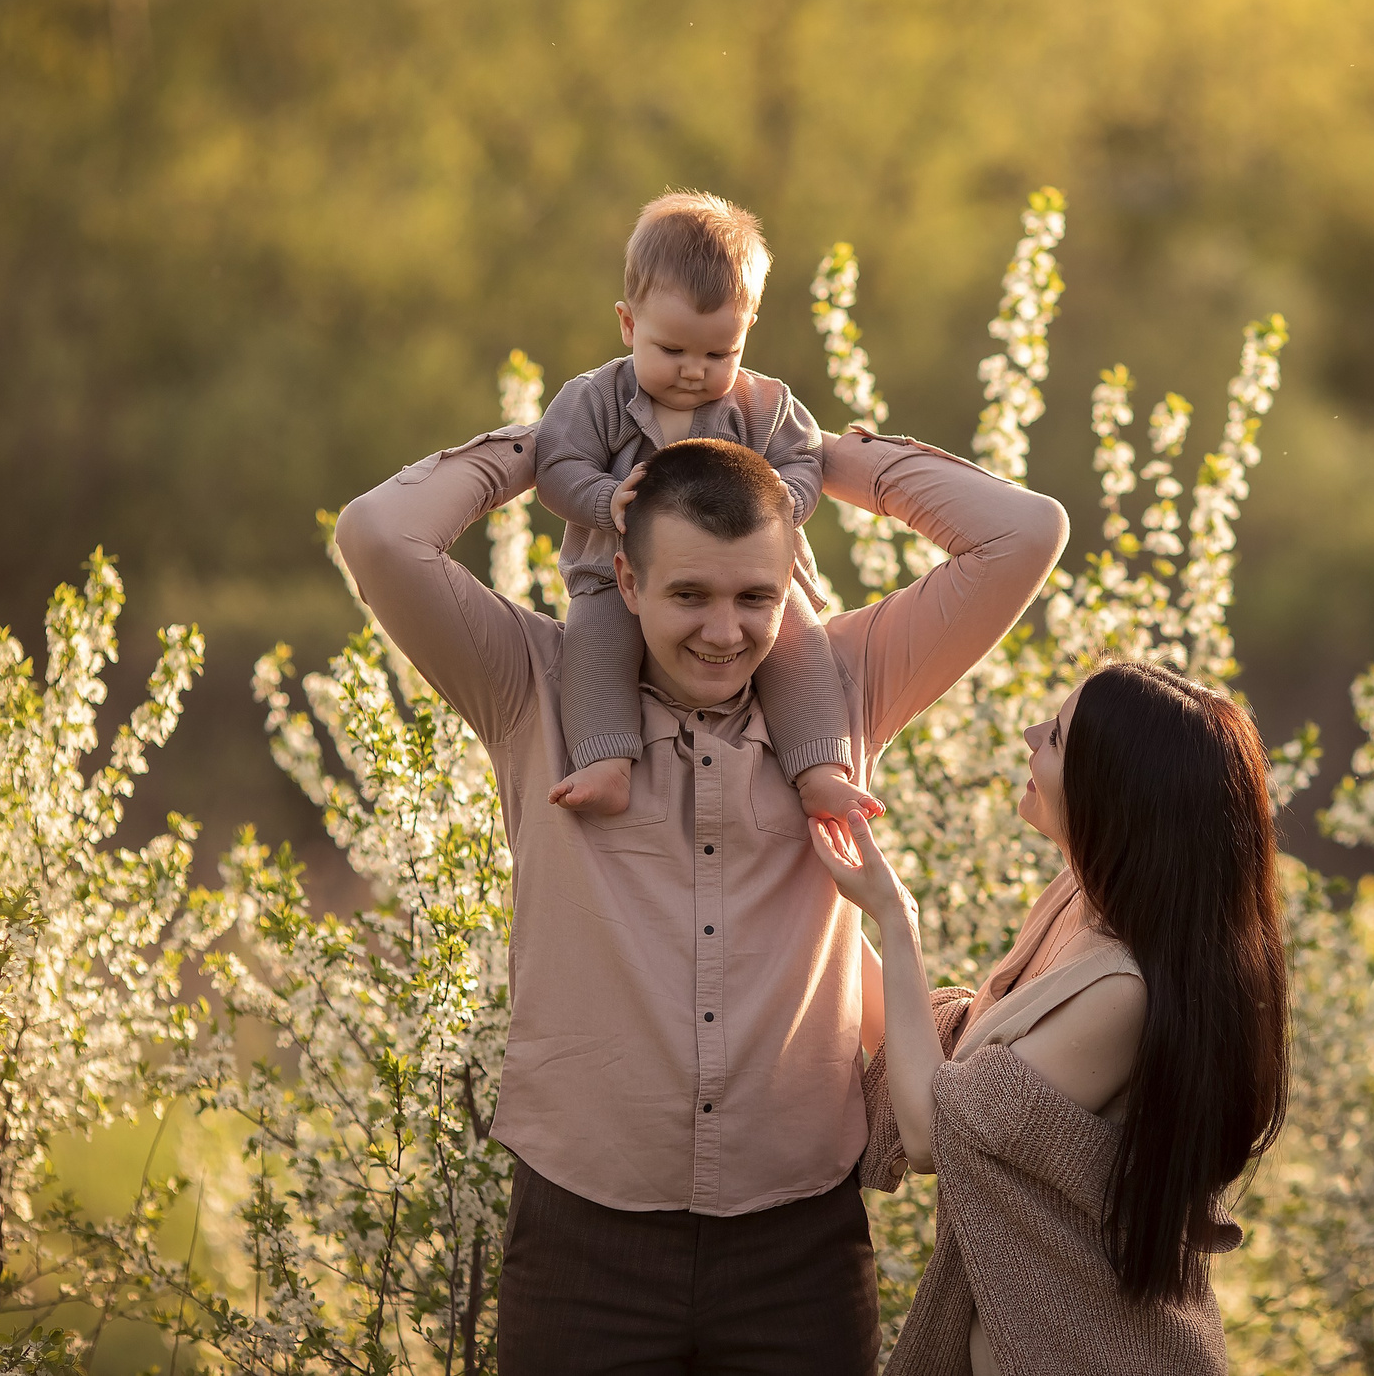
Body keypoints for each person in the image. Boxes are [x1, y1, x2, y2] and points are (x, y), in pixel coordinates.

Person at [334, 421, 1067, 1374]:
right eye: (688, 594)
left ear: (790, 587)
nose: (725, 633)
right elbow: (377, 534)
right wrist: (566, 441)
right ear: (627, 583)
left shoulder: (843, 692)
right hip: (582, 1240)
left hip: (796, 1243)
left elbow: (1025, 532)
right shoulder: (531, 686)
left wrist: (804, 452)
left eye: (755, 597)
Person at [817, 660, 1291, 1376]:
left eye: (1059, 738)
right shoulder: (1078, 900)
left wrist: (895, 915)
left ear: (1115, 794)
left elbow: (929, 1128)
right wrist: (814, 907)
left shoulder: (1123, 993)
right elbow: (938, 1054)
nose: (1030, 735)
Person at [532, 189, 877, 829]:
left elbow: (805, 460)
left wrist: (784, 501)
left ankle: (819, 767)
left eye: (719, 354)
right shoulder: (598, 399)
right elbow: (555, 467)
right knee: (594, 640)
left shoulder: (761, 405)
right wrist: (604, 499)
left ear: (747, 335)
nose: (694, 371)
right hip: (617, 566)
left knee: (798, 640)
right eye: (672, 351)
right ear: (629, 325)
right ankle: (607, 760)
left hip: (750, 575)